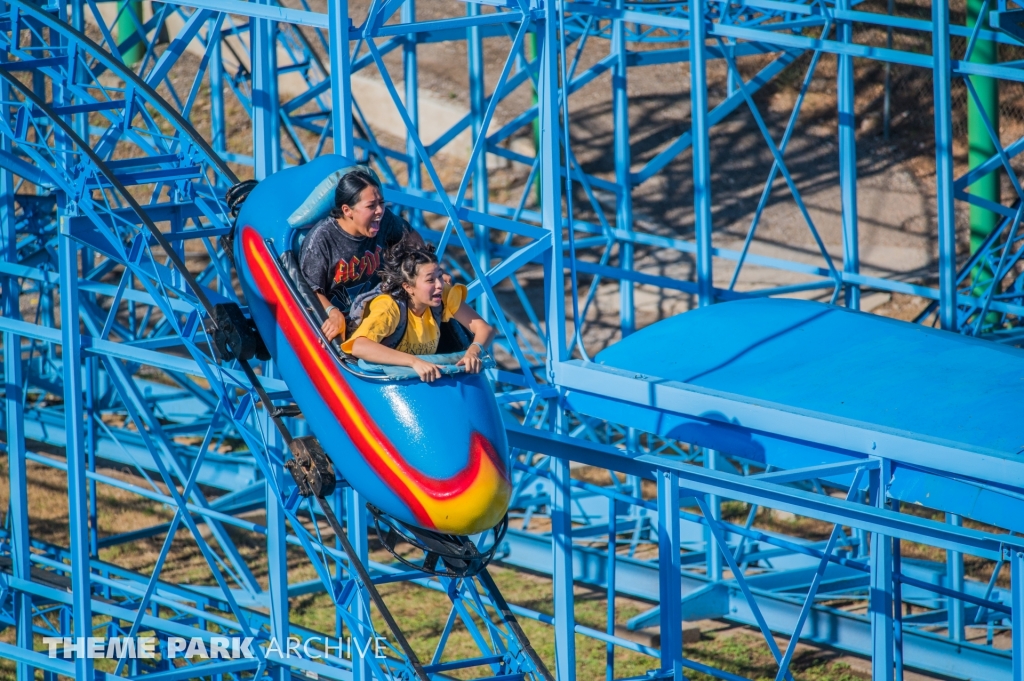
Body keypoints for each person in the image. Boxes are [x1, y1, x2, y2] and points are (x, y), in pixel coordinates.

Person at [342, 239, 495, 382]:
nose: (439, 285)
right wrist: (414, 362)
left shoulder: (442, 295)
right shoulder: (389, 307)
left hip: (426, 379)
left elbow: (484, 328)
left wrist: (474, 351)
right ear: (408, 287)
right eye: (430, 280)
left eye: (440, 276)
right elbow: (358, 346)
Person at [299, 168, 424, 342]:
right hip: (343, 326)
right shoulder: (322, 239)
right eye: (371, 206)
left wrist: (427, 269)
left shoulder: (384, 219)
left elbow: (411, 237)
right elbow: (309, 290)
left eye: (381, 202)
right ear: (347, 210)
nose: (380, 210)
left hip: (382, 314)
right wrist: (333, 313)